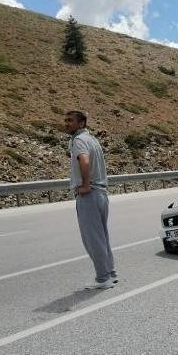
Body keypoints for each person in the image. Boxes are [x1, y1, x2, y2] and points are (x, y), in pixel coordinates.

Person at [65, 111, 116, 289]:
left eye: (71, 120)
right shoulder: (93, 140)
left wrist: (85, 186)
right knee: (102, 236)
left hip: (90, 194)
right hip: (101, 193)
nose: (67, 123)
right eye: (66, 120)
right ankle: (110, 273)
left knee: (92, 239)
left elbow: (84, 162)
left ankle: (103, 279)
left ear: (82, 124)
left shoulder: (79, 141)